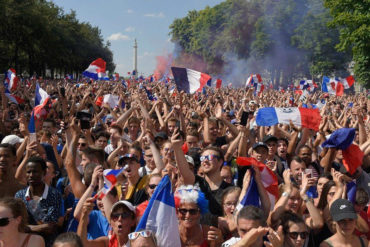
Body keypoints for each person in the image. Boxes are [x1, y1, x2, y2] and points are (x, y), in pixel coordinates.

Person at [15, 156, 63, 246]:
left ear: (44, 172)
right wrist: (41, 227)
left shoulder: (55, 195)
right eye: (28, 172)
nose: (31, 175)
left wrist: (26, 227)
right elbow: (17, 225)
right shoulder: (19, 195)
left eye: (35, 171)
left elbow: (50, 228)